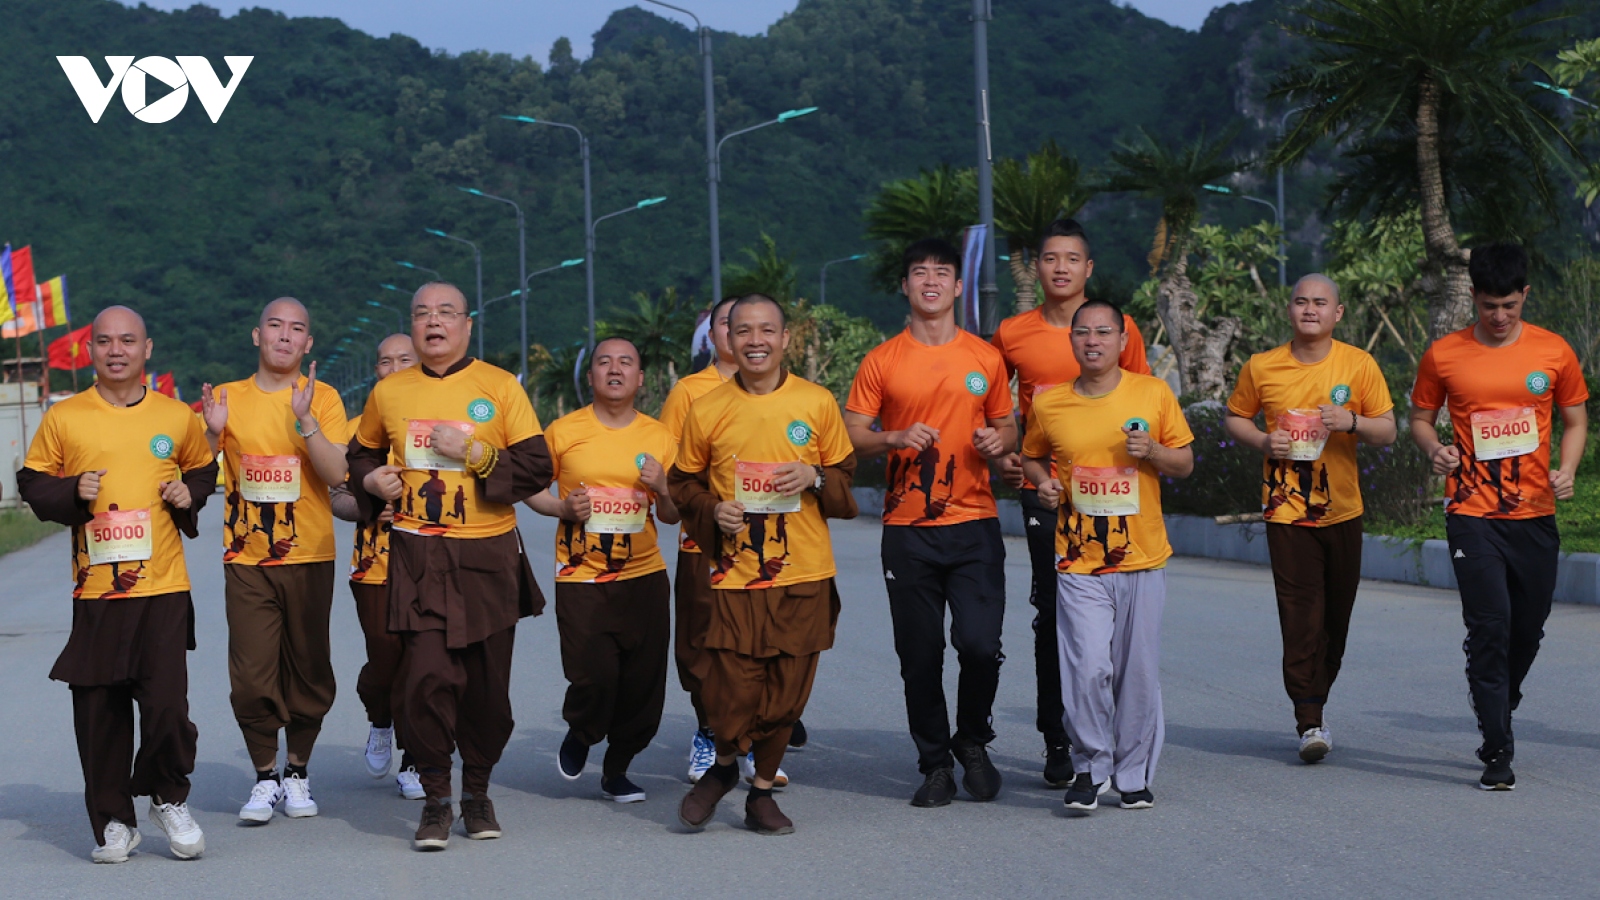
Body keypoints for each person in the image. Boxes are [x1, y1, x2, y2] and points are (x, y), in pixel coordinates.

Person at [347, 281, 551, 849]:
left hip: (487, 557)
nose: (433, 321)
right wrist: (370, 479)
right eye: (422, 313)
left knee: (487, 689)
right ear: (412, 327)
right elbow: (360, 452)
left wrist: (478, 453)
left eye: (445, 312)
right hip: (415, 558)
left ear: (467, 323)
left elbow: (537, 467)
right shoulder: (390, 392)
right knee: (425, 681)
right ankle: (436, 799)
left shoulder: (500, 387)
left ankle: (478, 794)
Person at [18, 306, 218, 863]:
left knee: (166, 709)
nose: (116, 350)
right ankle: (113, 823)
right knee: (99, 711)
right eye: (104, 341)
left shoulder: (177, 416)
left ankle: (166, 796)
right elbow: (34, 483)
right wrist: (73, 491)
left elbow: (203, 470)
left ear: (146, 349)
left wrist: (188, 494)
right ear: (91, 352)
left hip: (162, 586)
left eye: (127, 341)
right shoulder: (65, 417)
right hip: (97, 589)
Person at [669, 294, 858, 835]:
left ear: (785, 339)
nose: (755, 341)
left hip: (803, 571)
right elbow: (683, 484)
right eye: (743, 330)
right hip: (734, 574)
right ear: (725, 339)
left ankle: (760, 789)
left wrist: (814, 478)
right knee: (729, 690)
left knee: (787, 690)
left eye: (767, 331)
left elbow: (844, 483)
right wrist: (713, 508)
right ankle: (724, 765)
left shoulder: (817, 403)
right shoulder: (706, 408)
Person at [1409, 243, 1588, 791]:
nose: (1500, 316)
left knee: (1527, 629)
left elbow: (1575, 421)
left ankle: (1499, 696)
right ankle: (1497, 746)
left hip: (1534, 512)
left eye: (1510, 305)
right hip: (1471, 511)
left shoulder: (1553, 352)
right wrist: (1433, 448)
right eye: (1489, 305)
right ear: (1474, 298)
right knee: (1490, 625)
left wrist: (1568, 469)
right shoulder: (1445, 354)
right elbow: (1420, 417)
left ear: (1524, 295)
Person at [845, 239, 1015, 807]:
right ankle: (935, 762)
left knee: (979, 645)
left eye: (943, 272)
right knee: (919, 654)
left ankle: (972, 740)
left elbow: (1007, 427)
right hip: (908, 527)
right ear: (906, 286)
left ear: (959, 286)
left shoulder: (984, 358)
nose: (932, 282)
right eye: (920, 273)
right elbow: (851, 435)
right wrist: (892, 437)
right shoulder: (882, 360)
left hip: (974, 522)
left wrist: (999, 440)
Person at [991, 218, 1150, 786]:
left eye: (1071, 258)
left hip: (1119, 504)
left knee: (1119, 629)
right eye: (1050, 258)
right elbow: (993, 411)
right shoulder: (1012, 333)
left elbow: (1145, 407)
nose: (1060, 268)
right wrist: (1010, 455)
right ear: (1037, 267)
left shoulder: (1117, 326)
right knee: (1054, 616)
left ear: (1089, 269)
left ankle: (1117, 739)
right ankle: (1059, 737)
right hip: (1050, 497)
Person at [1020, 299, 1193, 814]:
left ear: (1122, 341)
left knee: (1134, 672)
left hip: (1141, 557)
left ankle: (1133, 774)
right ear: (1070, 342)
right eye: (1082, 333)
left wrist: (1154, 454)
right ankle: (1090, 766)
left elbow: (1184, 462)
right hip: (1078, 561)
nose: (1092, 341)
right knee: (1087, 666)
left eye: (1103, 333)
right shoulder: (1049, 404)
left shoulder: (1153, 392)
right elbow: (1031, 458)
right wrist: (1045, 485)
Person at [1224, 275, 1396, 762]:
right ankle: (1309, 718)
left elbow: (1388, 430)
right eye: (1301, 301)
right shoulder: (1262, 367)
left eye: (1321, 303)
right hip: (1287, 513)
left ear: (1337, 313)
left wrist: (1352, 422)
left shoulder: (1358, 365)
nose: (1310, 310)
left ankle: (1315, 694)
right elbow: (1235, 417)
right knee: (1300, 618)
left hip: (1343, 510)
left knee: (1334, 622)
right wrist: (1262, 440)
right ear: (1289, 310)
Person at [200, 297, 349, 824]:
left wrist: (305, 419)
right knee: (251, 673)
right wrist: (211, 433)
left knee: (308, 669)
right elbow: (199, 469)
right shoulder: (224, 397)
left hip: (309, 554)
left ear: (308, 343)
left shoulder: (322, 397)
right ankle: (265, 776)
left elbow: (337, 475)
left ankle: (298, 772)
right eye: (275, 326)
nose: (285, 336)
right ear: (256, 335)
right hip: (247, 559)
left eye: (297, 329)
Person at [529, 338, 680, 804]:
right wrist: (561, 507)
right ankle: (582, 730)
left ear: (640, 378)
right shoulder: (564, 431)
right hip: (581, 575)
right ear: (590, 376)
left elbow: (673, 516)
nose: (614, 370)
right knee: (593, 673)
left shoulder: (661, 437)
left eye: (626, 363)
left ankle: (618, 769)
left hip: (644, 575)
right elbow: (529, 488)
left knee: (643, 682)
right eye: (604, 362)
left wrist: (662, 488)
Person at [660, 296, 798, 786]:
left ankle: (760, 739)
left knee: (766, 642)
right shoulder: (690, 393)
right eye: (730, 325)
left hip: (772, 543)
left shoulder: (790, 391)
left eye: (758, 328)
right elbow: (678, 471)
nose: (744, 336)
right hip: (705, 543)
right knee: (704, 645)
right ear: (718, 335)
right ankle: (709, 733)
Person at [330, 333, 423, 798]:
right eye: (384, 361)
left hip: (432, 561)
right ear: (376, 371)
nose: (395, 367)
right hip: (375, 565)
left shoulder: (436, 423)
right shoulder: (358, 427)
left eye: (405, 359)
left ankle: (415, 756)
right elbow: (339, 499)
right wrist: (370, 505)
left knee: (422, 663)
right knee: (385, 657)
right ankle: (380, 718)